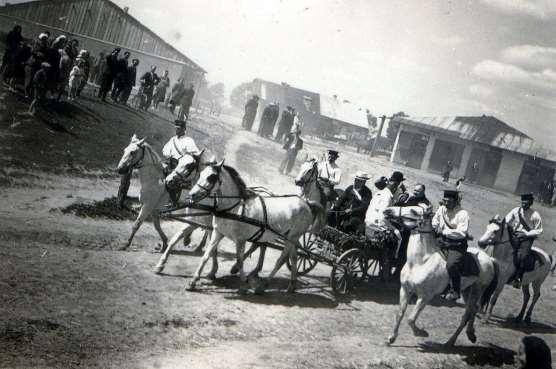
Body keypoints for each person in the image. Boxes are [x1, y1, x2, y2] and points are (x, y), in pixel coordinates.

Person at [432, 189, 470, 301]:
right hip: (441, 241)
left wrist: (444, 232)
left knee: (451, 265)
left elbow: (462, 233)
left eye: (449, 201)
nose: (446, 203)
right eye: (444, 200)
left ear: (455, 201)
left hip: (456, 244)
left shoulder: (463, 214)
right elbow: (435, 221)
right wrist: (435, 226)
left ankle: (455, 291)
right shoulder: (442, 209)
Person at [504, 193, 543, 288]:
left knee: (522, 256)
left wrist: (527, 234)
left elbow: (539, 230)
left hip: (526, 238)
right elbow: (507, 220)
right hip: (514, 235)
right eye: (522, 202)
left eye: (526, 203)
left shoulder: (535, 215)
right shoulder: (516, 210)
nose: (524, 204)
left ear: (530, 203)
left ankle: (518, 278)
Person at [162, 119, 201, 205]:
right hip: (170, 162)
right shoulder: (172, 139)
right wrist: (168, 155)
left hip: (181, 165)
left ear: (184, 129)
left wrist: (184, 157)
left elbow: (195, 153)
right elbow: (164, 149)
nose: (177, 130)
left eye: (179, 128)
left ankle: (172, 201)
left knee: (172, 178)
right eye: (176, 128)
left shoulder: (189, 140)